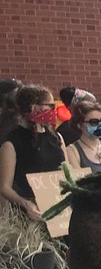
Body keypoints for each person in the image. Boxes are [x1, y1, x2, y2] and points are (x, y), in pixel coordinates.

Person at [0, 84, 67, 220]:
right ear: (34, 107)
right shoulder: (12, 143)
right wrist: (25, 204)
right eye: (50, 106)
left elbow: (67, 170)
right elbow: (4, 187)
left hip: (58, 209)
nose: (53, 111)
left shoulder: (56, 137)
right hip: (30, 213)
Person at [64, 99, 101, 174]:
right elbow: (79, 180)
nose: (100, 125)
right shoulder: (71, 151)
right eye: (94, 122)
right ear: (79, 124)